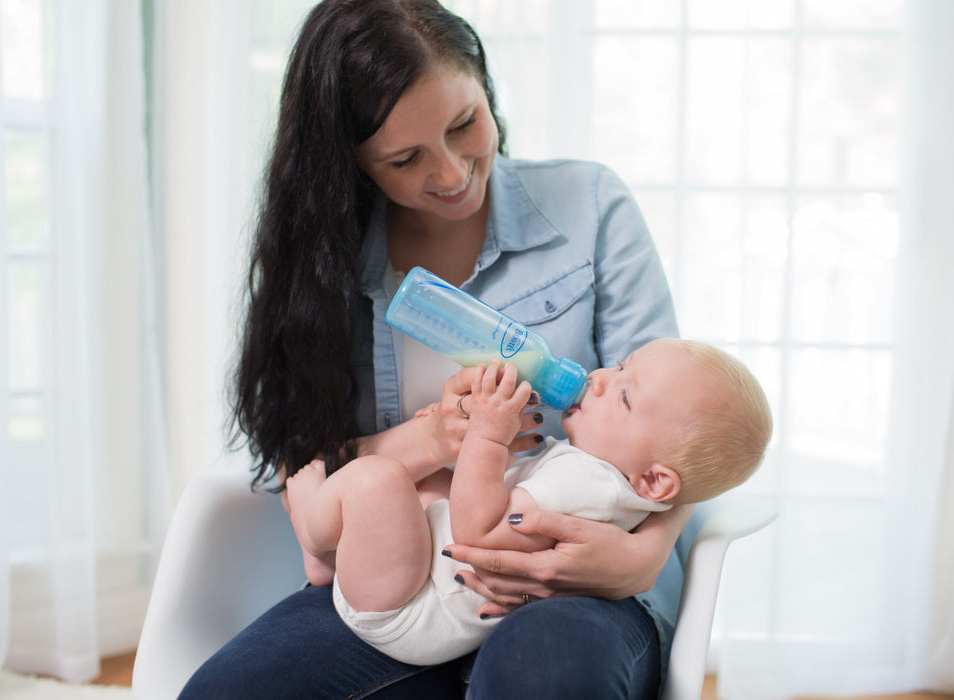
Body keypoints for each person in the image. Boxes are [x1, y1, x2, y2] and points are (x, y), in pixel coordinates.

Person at [179, 0, 695, 697]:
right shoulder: (325, 261)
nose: (452, 174)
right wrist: (436, 441)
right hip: (402, 587)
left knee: (539, 676)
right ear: (351, 162)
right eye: (404, 158)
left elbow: (681, 427)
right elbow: (305, 468)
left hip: (579, 586)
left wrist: (640, 558)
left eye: (464, 125)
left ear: (485, 85)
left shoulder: (588, 206)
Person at [285, 339, 772, 667]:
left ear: (655, 480)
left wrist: (487, 437)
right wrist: (454, 442)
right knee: (427, 481)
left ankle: (312, 532)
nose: (600, 377)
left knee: (378, 478)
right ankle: (334, 562)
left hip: (409, 609)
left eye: (624, 396)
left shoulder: (589, 484)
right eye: (620, 366)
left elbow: (476, 531)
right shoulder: (608, 480)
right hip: (421, 577)